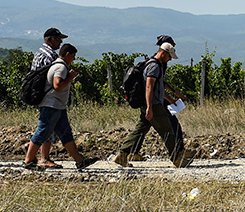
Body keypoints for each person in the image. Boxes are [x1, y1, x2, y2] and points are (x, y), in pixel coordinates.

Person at [114, 42, 195, 167]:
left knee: (140, 130)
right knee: (167, 131)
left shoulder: (153, 64)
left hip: (149, 104)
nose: (169, 59)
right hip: (154, 105)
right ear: (163, 53)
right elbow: (149, 87)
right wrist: (150, 107)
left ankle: (122, 154)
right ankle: (177, 159)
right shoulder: (154, 67)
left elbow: (158, 88)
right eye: (169, 56)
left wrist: (171, 99)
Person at [23, 43, 99, 171]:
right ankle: (29, 161)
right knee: (42, 131)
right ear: (68, 54)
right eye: (73, 56)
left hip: (58, 106)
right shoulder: (60, 67)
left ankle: (80, 161)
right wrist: (70, 77)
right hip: (52, 106)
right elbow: (57, 85)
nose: (74, 59)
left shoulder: (58, 66)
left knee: (65, 134)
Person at [28, 28, 67, 168]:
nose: (60, 42)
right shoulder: (50, 56)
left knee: (48, 127)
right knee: (46, 127)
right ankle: (41, 157)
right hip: (48, 97)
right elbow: (51, 79)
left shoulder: (40, 53)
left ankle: (40, 154)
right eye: (58, 39)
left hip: (42, 96)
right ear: (49, 39)